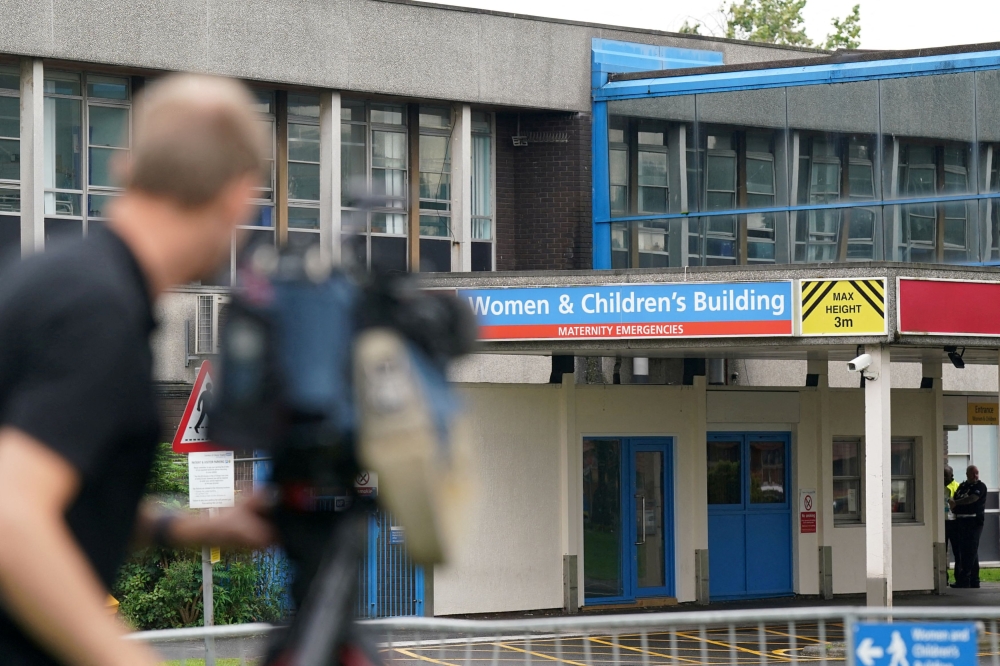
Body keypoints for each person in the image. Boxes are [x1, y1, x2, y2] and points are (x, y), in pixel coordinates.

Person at [0, 75, 275, 666]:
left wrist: (185, 530)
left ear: (126, 167)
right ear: (238, 197)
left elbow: (64, 494)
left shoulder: (54, 280)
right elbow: (12, 516)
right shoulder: (98, 313)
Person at [949, 464, 988, 588]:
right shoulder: (962, 486)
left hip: (974, 522)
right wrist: (954, 503)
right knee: (967, 550)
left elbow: (972, 499)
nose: (975, 476)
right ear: (967, 474)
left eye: (977, 473)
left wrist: (956, 503)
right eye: (973, 473)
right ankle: (974, 580)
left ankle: (964, 578)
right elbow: (955, 498)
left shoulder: (980, 486)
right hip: (960, 521)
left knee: (970, 550)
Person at [944, 465, 958, 574]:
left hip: (954, 522)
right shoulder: (937, 486)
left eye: (946, 475)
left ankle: (959, 577)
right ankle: (944, 578)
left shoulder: (957, 487)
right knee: (942, 551)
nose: (943, 478)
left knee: (957, 550)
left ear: (951, 475)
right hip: (941, 523)